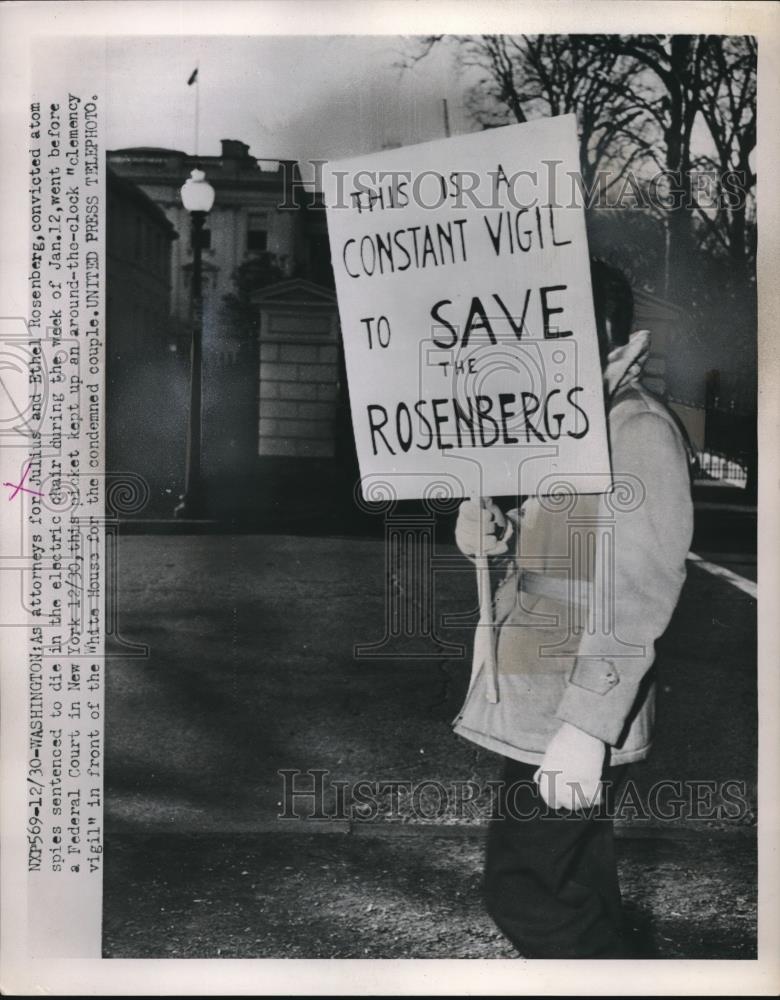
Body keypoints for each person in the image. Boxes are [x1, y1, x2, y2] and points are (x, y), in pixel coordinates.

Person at [452, 259, 694, 958]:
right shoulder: (573, 428)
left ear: (619, 342)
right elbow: (551, 560)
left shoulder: (636, 430)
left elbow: (640, 592)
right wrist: (491, 537)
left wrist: (587, 730)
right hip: (540, 701)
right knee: (573, 890)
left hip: (577, 707)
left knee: (529, 890)